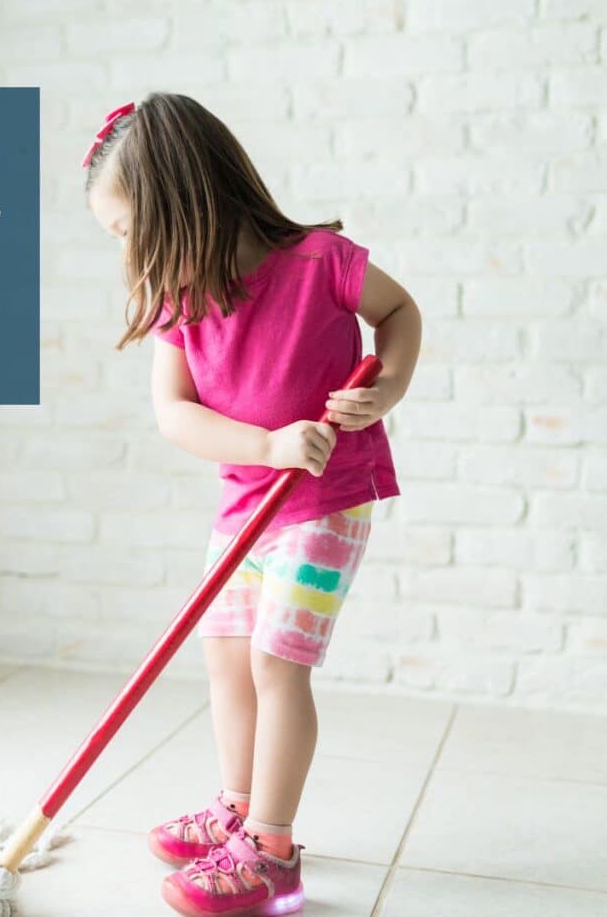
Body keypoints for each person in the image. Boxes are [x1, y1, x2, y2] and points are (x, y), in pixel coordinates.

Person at [83, 93, 421, 917]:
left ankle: (272, 853)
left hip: (326, 503)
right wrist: (267, 446)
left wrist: (388, 390)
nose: (127, 254)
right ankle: (237, 811)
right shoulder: (180, 299)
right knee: (227, 661)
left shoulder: (320, 262)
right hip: (246, 507)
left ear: (184, 206)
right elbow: (176, 413)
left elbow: (399, 314)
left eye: (129, 230)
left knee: (277, 664)